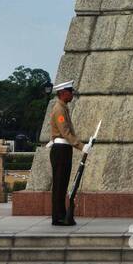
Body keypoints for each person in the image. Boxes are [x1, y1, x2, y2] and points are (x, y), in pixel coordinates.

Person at [47, 80, 87, 226]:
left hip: (64, 150)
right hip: (60, 151)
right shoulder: (59, 110)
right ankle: (58, 217)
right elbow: (65, 132)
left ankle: (61, 214)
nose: (72, 94)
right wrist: (81, 146)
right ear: (63, 93)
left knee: (62, 185)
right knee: (59, 185)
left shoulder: (63, 108)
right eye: (70, 91)